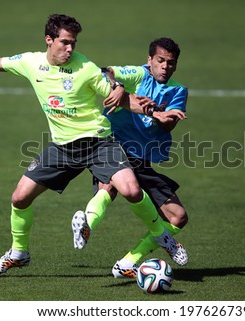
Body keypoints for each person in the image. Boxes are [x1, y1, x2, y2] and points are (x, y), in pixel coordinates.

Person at [0, 14, 187, 274]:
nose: (70, 48)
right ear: (49, 40)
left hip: (99, 142)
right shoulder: (31, 63)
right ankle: (19, 252)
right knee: (19, 198)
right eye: (65, 42)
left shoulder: (84, 66)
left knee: (131, 190)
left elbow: (119, 99)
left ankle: (161, 235)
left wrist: (153, 113)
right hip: (62, 148)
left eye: (73, 43)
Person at [73, 37, 189, 278]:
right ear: (150, 60)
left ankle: (129, 261)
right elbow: (106, 71)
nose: (165, 66)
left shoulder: (178, 90)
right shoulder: (138, 75)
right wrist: (118, 86)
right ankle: (85, 227)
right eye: (160, 61)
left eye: (171, 62)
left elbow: (168, 125)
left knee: (178, 217)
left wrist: (157, 112)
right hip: (113, 145)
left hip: (141, 160)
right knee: (110, 186)